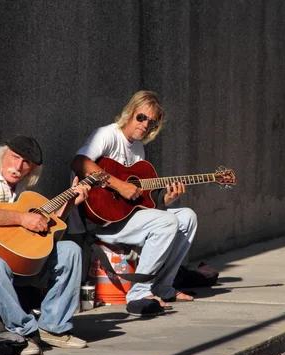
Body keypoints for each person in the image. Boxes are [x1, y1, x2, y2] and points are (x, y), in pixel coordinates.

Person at [0, 135, 89, 355]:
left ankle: (53, 327)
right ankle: (23, 332)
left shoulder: (21, 190)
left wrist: (70, 203)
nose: (18, 166)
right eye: (15, 157)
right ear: (1, 154)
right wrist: (22, 218)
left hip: (17, 264)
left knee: (71, 250)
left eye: (26, 164)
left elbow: (41, 229)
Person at [68, 90, 197, 317]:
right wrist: (119, 185)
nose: (145, 124)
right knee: (166, 222)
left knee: (187, 216)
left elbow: (140, 201)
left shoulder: (138, 148)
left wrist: (166, 200)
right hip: (99, 219)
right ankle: (139, 293)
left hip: (124, 218)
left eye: (152, 122)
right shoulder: (107, 135)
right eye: (141, 117)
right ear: (130, 112)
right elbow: (79, 162)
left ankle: (163, 287)